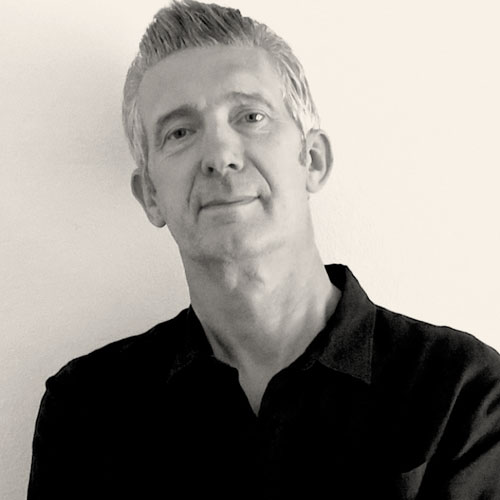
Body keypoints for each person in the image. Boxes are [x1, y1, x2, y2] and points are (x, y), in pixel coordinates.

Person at [28, 1, 500, 498]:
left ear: (312, 160)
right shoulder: (84, 410)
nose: (220, 156)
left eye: (251, 116)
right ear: (150, 195)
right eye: (180, 132)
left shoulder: (460, 393)